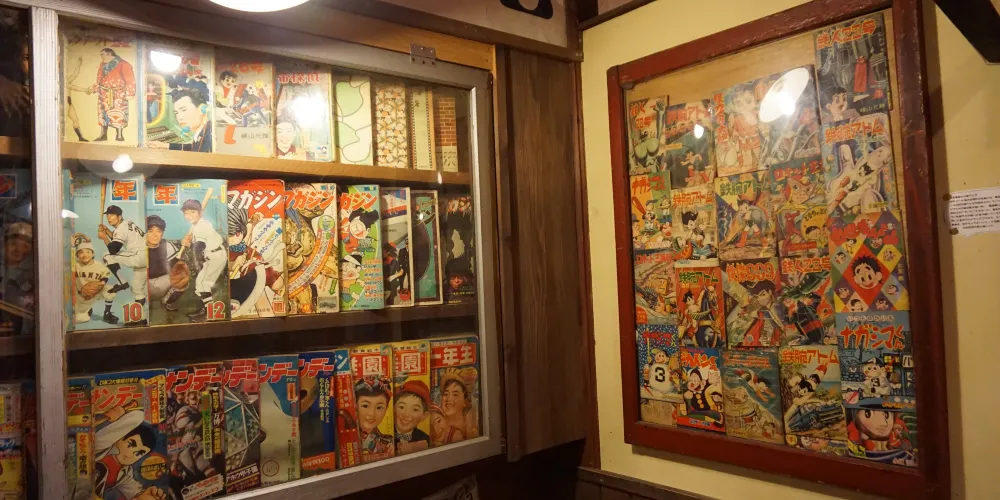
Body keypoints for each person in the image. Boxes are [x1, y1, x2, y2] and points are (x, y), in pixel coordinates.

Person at [93, 405, 165, 500]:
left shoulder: (125, 472)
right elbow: (138, 416)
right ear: (120, 438)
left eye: (139, 453)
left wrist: (142, 496)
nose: (131, 455)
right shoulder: (100, 447)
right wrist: (121, 418)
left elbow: (133, 491)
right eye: (130, 445)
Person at [98, 205, 147, 326]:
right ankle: (141, 319)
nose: (109, 218)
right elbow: (120, 238)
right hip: (147, 256)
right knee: (137, 289)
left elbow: (113, 250)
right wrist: (108, 232)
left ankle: (122, 282)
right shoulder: (128, 222)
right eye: (108, 215)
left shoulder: (120, 230)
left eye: (112, 215)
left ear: (119, 217)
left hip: (138, 256)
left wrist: (104, 238)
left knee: (107, 256)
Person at [179, 199, 226, 321]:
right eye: (186, 213)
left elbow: (200, 246)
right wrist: (188, 243)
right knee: (200, 283)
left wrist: (188, 245)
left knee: (204, 284)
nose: (189, 216)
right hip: (213, 255)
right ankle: (206, 309)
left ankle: (209, 313)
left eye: (193, 212)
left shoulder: (202, 225)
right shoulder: (198, 225)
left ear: (200, 212)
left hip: (215, 255)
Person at [84, 48, 136, 142]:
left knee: (119, 114)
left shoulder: (124, 64)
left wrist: (130, 93)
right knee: (103, 114)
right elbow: (99, 78)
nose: (101, 57)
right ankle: (103, 135)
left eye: (102, 54)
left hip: (118, 93)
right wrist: (93, 88)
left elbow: (130, 80)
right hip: (103, 92)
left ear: (109, 54)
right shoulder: (102, 64)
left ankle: (119, 135)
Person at [71, 234, 117, 325]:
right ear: (77, 255)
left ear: (93, 254)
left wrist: (102, 283)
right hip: (79, 295)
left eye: (88, 252)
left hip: (95, 292)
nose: (85, 255)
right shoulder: (75, 264)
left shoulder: (98, 265)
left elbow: (106, 274)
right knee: (80, 319)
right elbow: (69, 255)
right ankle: (86, 310)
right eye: (81, 252)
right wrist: (72, 245)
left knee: (110, 290)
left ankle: (107, 314)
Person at [145, 215, 186, 308]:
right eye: (150, 231)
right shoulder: (139, 246)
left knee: (182, 275)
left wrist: (183, 248)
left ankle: (167, 300)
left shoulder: (167, 245)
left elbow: (176, 267)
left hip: (161, 282)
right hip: (143, 285)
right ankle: (143, 302)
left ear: (162, 233)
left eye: (158, 231)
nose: (155, 235)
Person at [354, 376, 394, 459]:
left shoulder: (390, 444)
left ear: (386, 408)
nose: (372, 413)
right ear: (355, 405)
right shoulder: (344, 438)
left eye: (379, 407)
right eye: (365, 406)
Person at [394, 380, 431, 454]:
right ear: (393, 408)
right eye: (401, 407)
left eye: (415, 409)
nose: (406, 414)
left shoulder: (425, 439)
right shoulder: (383, 437)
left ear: (424, 416)